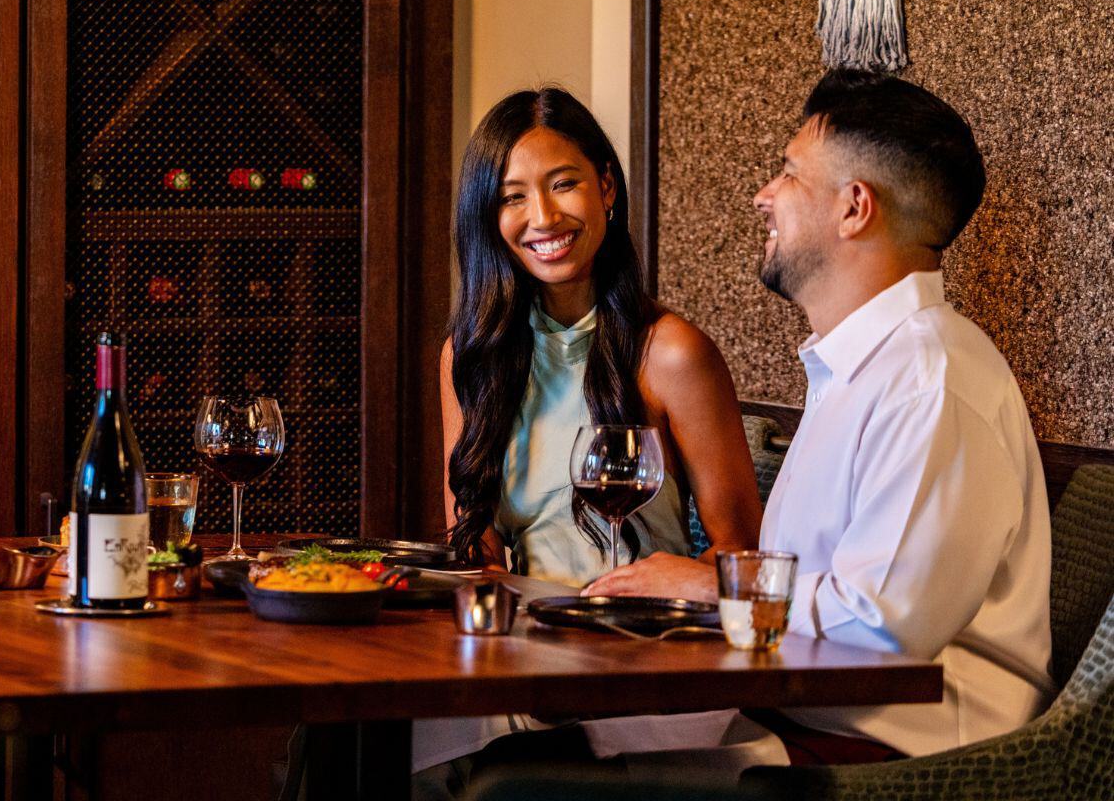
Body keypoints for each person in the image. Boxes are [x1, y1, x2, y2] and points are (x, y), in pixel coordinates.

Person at [589, 69, 1053, 762]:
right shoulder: (858, 369)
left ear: (854, 207)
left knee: (533, 770)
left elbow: (880, 627)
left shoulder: (931, 381)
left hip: (900, 759)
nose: (763, 196)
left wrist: (709, 584)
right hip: (797, 716)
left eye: (788, 174)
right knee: (515, 738)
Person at [421, 87, 762, 780]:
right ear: (489, 218)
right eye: (513, 197)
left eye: (564, 184)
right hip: (525, 658)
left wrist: (685, 578)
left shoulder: (671, 353)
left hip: (650, 664)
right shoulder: (469, 356)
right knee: (348, 735)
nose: (542, 217)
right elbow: (470, 539)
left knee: (480, 771)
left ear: (606, 187)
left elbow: (745, 556)